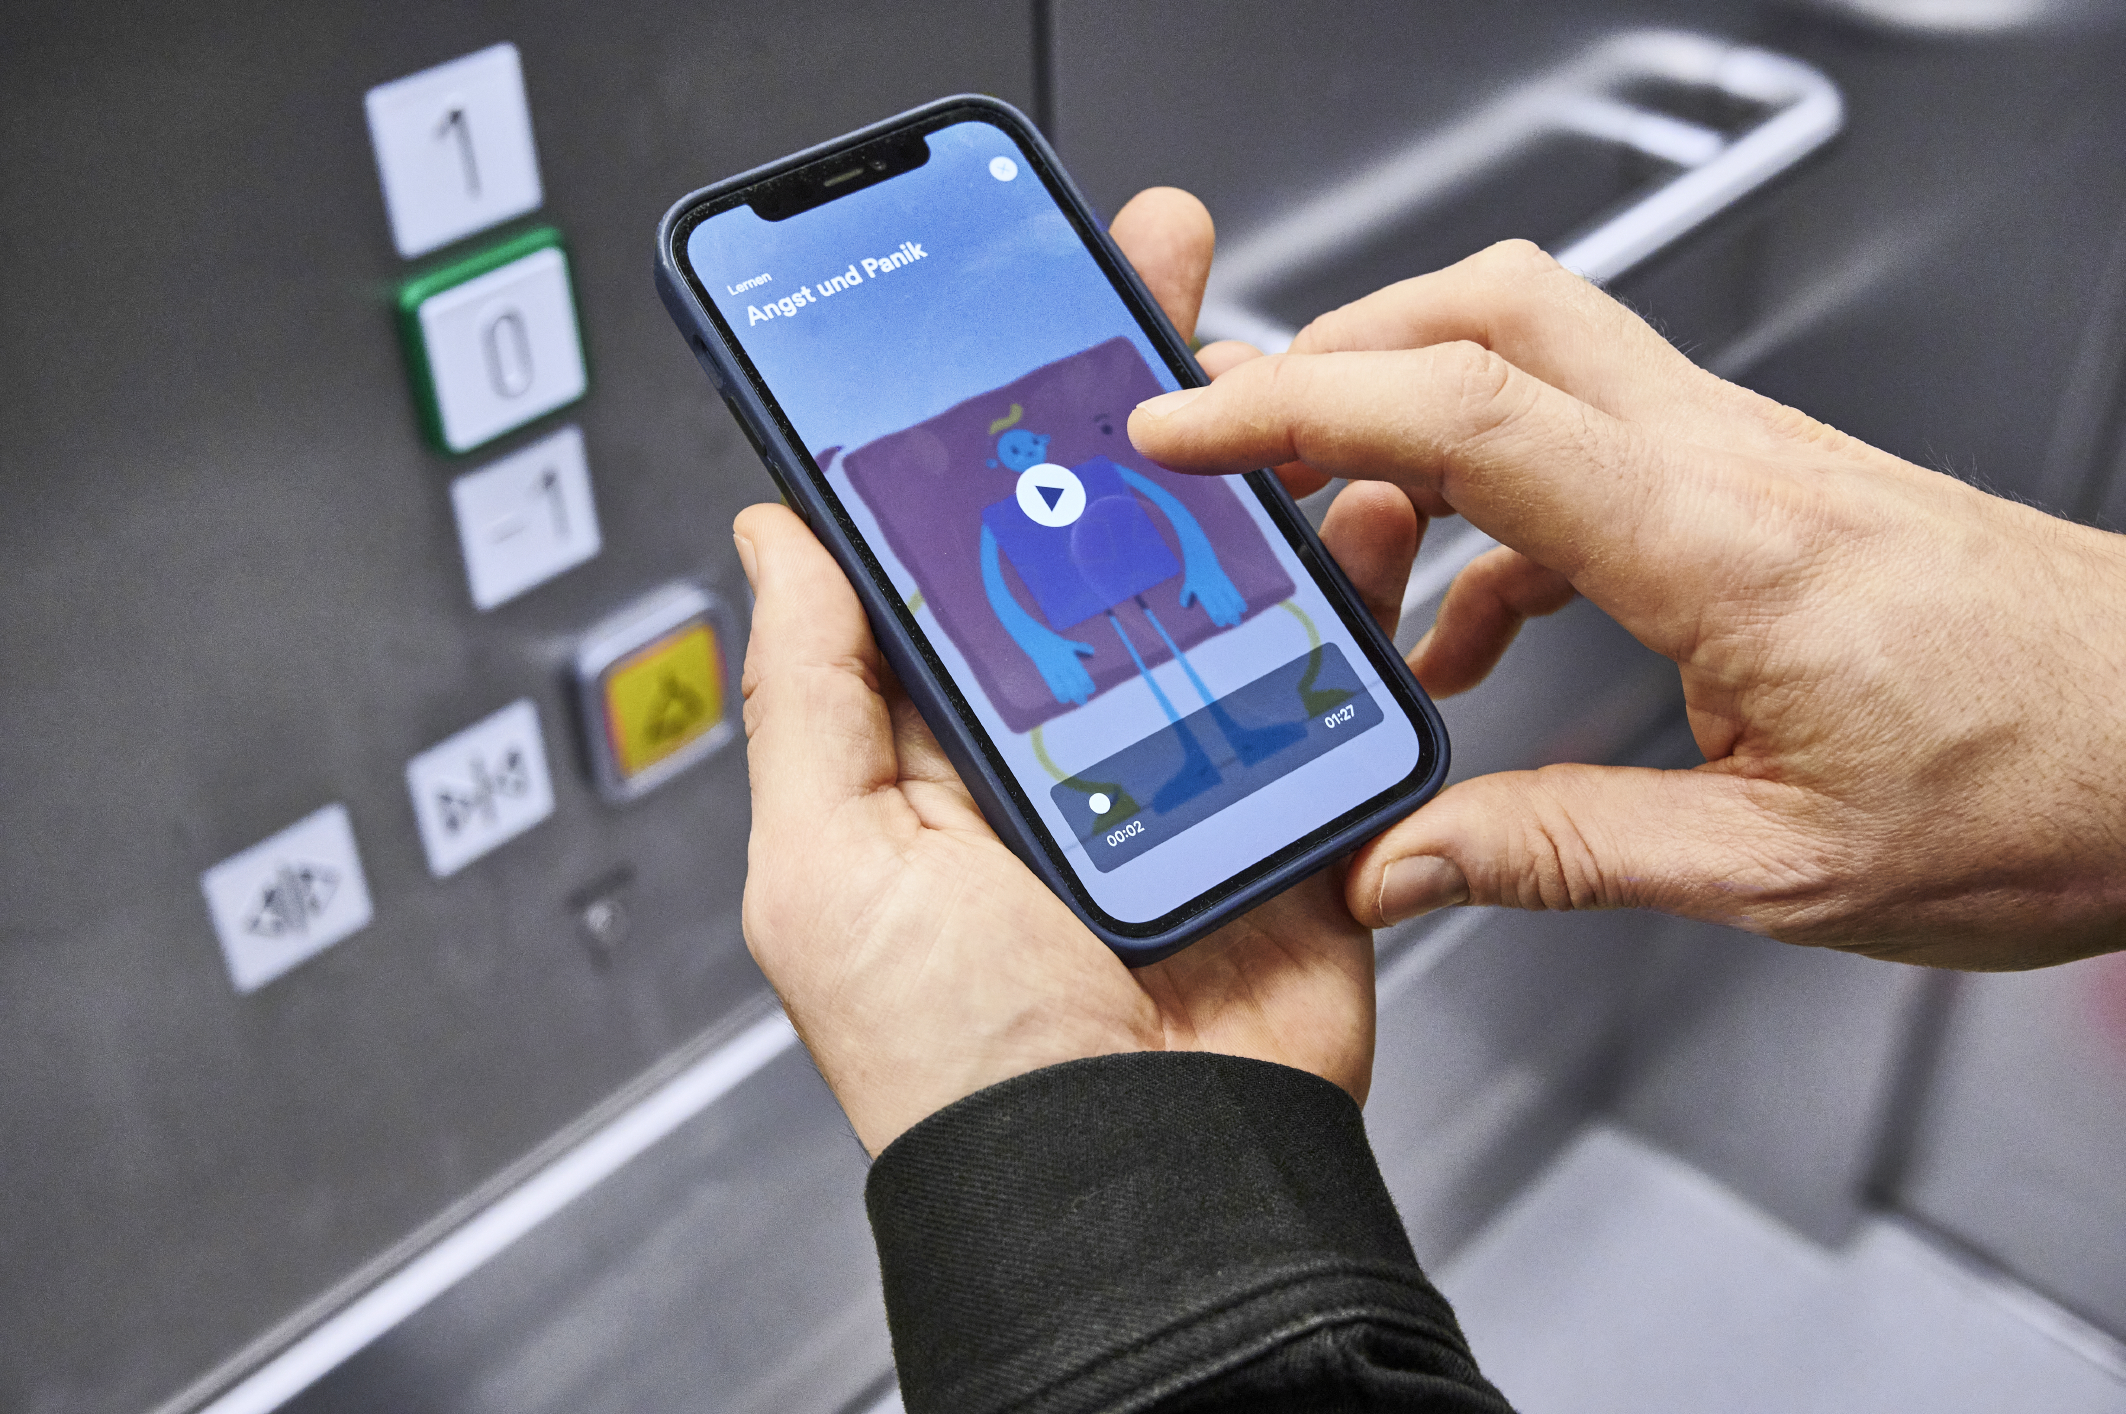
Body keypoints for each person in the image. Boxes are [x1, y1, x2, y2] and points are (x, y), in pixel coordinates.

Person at [727, 188, 2126, 1413]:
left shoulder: (1091, 490)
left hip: (1151, 627)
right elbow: (1024, 586)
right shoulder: (1017, 510)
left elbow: (1149, 527)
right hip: (1109, 647)